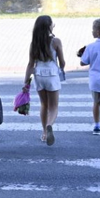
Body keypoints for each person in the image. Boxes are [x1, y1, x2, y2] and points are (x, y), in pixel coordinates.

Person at [23, 15, 66, 146]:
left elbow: (30, 64)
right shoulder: (56, 41)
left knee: (44, 105)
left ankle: (44, 133)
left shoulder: (34, 43)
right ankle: (49, 125)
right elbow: (62, 62)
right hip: (52, 75)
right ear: (49, 27)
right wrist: (62, 68)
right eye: (52, 23)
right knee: (53, 107)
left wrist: (26, 82)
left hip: (39, 75)